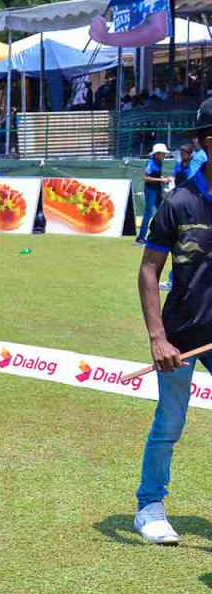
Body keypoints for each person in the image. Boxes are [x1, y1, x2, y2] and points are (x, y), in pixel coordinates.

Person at [132, 106, 212, 546]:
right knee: (170, 422)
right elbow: (149, 270)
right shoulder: (178, 203)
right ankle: (149, 506)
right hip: (181, 336)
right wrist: (158, 338)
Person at [137, 143, 171, 246]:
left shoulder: (159, 162)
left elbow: (154, 176)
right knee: (148, 213)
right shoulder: (151, 163)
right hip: (150, 190)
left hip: (157, 190)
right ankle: (140, 238)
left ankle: (158, 235)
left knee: (160, 212)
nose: (164, 155)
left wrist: (162, 179)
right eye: (162, 154)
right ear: (156, 154)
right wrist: (161, 180)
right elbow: (145, 177)